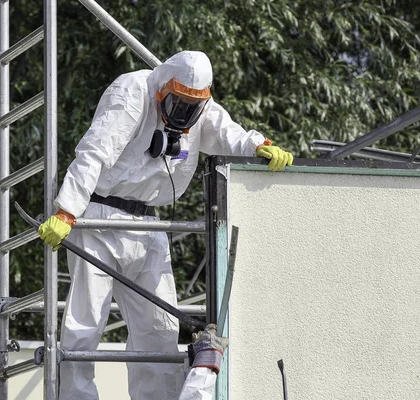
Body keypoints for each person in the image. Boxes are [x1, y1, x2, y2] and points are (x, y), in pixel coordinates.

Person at [38, 50, 293, 400]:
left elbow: (225, 130)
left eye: (191, 105)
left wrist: (257, 144)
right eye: (177, 102)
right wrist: (67, 209)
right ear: (163, 87)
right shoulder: (133, 91)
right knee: (85, 325)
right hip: (99, 220)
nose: (182, 112)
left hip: (150, 227)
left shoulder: (200, 109)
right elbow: (96, 150)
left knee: (159, 328)